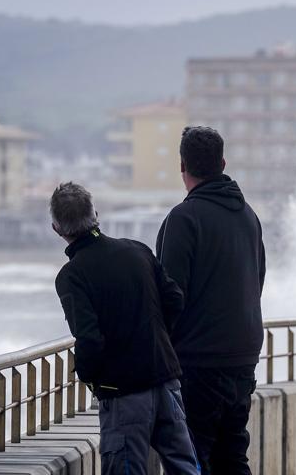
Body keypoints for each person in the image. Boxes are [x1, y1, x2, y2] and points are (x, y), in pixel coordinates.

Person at [50, 182, 199, 475]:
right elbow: (175, 299)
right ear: (96, 215)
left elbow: (89, 338)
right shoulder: (136, 250)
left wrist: (91, 378)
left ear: (56, 229)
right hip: (165, 378)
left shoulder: (72, 276)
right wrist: (158, 340)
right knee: (185, 466)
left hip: (122, 392)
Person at [156, 126, 265, 475]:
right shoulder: (248, 217)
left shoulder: (184, 218)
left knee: (192, 458)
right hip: (243, 357)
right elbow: (258, 280)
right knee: (232, 456)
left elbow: (170, 296)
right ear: (222, 163)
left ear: (182, 166)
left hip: (198, 363)